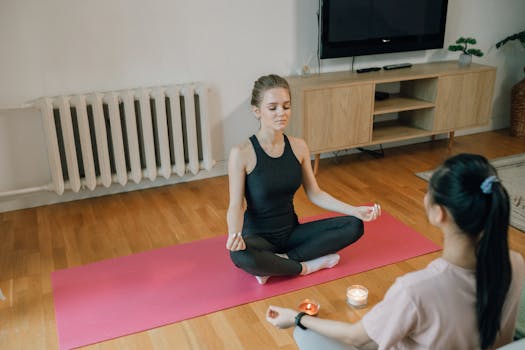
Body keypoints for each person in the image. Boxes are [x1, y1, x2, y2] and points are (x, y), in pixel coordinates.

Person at [266, 153, 525, 349]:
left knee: (305, 333)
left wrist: (297, 317)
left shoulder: (416, 290)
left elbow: (354, 336)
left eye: (428, 192)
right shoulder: (515, 262)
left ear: (439, 213)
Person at [226, 74, 381, 285]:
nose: (281, 113)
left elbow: (315, 193)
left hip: (291, 233)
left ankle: (280, 263)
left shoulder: (299, 146)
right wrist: (234, 235)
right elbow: (236, 205)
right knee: (239, 255)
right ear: (257, 111)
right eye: (273, 108)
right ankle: (307, 266)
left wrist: (355, 210)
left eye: (286, 106)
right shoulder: (241, 152)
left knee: (355, 225)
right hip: (259, 238)